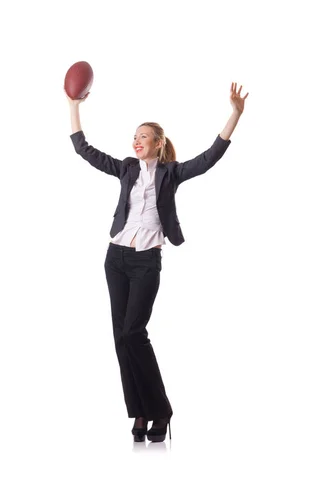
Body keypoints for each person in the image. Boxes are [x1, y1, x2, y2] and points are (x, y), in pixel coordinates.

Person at [67, 82, 248, 442]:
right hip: (115, 257)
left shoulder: (172, 173)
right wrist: (74, 104)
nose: (136, 141)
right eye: (134, 136)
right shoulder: (126, 169)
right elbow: (83, 149)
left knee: (135, 332)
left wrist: (235, 113)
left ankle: (160, 412)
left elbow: (211, 156)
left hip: (147, 261)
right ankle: (139, 413)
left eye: (144, 136)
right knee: (122, 338)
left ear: (158, 143)